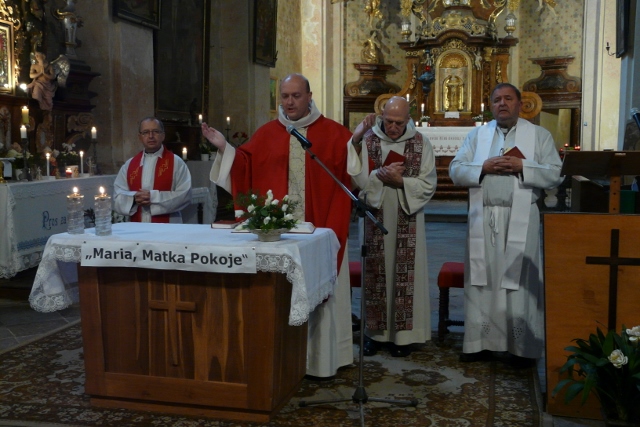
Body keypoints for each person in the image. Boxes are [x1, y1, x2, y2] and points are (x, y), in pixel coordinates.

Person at [202, 73, 353, 379]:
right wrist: (225, 148)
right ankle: (282, 361)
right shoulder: (268, 133)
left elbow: (353, 175)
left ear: (309, 96)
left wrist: (358, 143)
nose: (290, 102)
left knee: (321, 291)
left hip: (320, 227)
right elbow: (245, 165)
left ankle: (320, 362)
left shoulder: (335, 134)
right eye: (284, 96)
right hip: (279, 235)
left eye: (296, 95)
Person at [449, 83, 563, 367]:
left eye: (508, 99)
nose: (502, 103)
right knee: (483, 279)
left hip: (521, 218)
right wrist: (483, 167)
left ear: (520, 104)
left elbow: (555, 173)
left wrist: (522, 166)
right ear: (491, 106)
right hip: (483, 217)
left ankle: (521, 348)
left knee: (519, 282)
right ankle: (480, 343)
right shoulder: (477, 135)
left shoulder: (539, 135)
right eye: (497, 99)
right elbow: (455, 169)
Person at [347, 96, 437, 357]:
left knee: (404, 275)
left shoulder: (421, 143)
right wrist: (379, 176)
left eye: (399, 122)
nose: (393, 127)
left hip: (408, 215)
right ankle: (373, 334)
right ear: (381, 117)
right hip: (375, 215)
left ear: (408, 119)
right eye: (389, 121)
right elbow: (357, 178)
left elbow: (429, 183)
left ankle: (403, 337)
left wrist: (401, 183)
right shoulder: (369, 140)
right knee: (375, 273)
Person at [113, 117, 192, 223]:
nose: (151, 136)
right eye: (145, 132)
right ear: (140, 137)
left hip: (168, 227)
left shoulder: (177, 163)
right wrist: (134, 199)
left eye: (155, 132)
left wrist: (153, 197)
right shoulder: (129, 165)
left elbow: (185, 194)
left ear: (163, 135)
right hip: (137, 226)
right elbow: (117, 196)